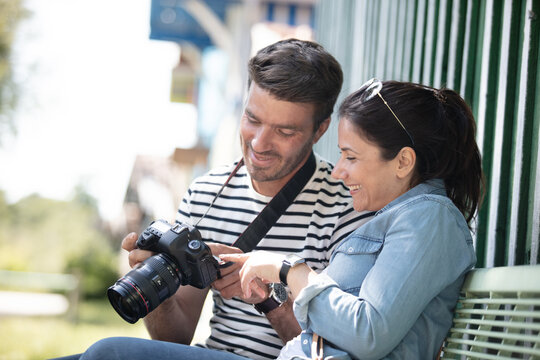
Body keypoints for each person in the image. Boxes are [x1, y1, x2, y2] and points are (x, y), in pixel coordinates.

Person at [65, 39, 373, 360]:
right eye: (252, 119)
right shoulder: (205, 191)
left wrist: (268, 299)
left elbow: (335, 352)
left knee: (108, 353)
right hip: (210, 353)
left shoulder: (347, 208)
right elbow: (176, 337)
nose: (259, 142)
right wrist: (157, 283)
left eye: (284, 131)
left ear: (320, 130)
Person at [219, 79, 484, 359]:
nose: (338, 171)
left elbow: (368, 333)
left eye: (351, 157)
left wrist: (289, 269)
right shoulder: (403, 217)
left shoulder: (430, 219)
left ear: (403, 162)